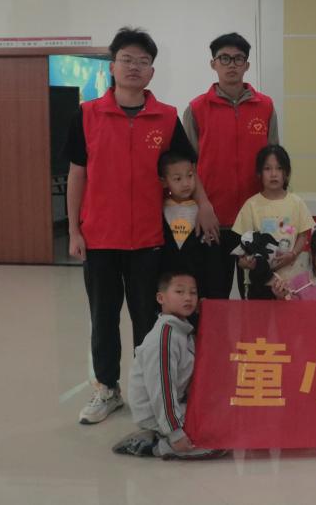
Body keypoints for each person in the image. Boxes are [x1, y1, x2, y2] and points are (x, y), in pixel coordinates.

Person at [66, 27, 216, 425]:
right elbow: (77, 174)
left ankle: (151, 388)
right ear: (112, 67)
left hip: (149, 239)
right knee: (103, 317)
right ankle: (107, 389)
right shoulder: (88, 115)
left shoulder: (165, 117)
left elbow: (187, 169)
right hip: (100, 237)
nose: (134, 67)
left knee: (148, 319)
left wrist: (204, 204)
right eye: (127, 60)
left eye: (143, 61)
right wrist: (75, 231)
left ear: (152, 71)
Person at [185, 32, 278, 299]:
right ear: (213, 64)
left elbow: (274, 163)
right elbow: (188, 168)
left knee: (259, 297)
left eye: (238, 59)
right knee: (214, 297)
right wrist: (203, 206)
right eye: (224, 58)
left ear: (247, 65)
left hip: (256, 223)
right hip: (213, 221)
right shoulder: (197, 108)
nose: (232, 64)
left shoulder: (265, 106)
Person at [112, 273, 225, 459]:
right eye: (179, 292)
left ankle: (162, 435)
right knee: (218, 440)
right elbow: (162, 391)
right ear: (161, 298)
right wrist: (176, 434)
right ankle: (155, 445)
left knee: (226, 416)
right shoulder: (165, 338)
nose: (188, 298)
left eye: (193, 292)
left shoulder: (182, 330)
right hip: (154, 412)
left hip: (175, 404)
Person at [231, 145, 315, 299]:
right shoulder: (251, 205)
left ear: (286, 173)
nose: (274, 174)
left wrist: (293, 254)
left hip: (291, 280)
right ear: (259, 173)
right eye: (267, 169)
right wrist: (246, 263)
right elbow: (242, 246)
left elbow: (303, 235)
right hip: (260, 282)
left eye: (279, 168)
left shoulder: (296, 203)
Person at [158, 151, 226, 301]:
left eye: (190, 176)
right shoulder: (159, 211)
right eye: (178, 179)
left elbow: (213, 262)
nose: (185, 183)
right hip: (169, 296)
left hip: (199, 294)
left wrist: (212, 297)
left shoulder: (204, 214)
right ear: (164, 182)